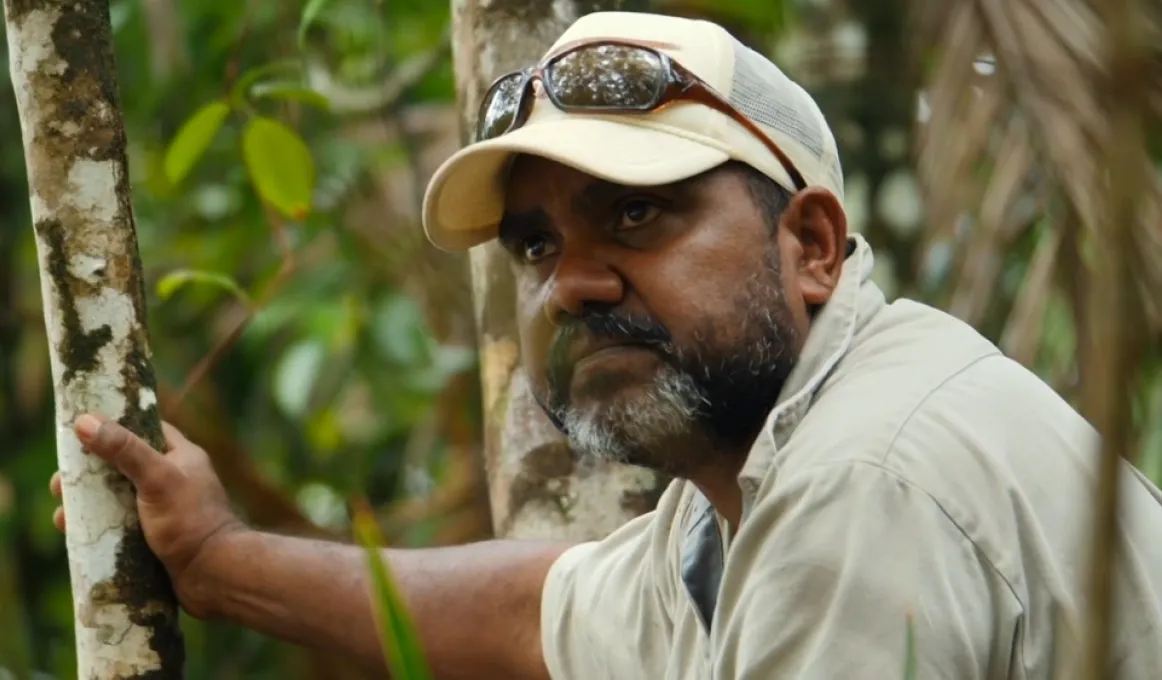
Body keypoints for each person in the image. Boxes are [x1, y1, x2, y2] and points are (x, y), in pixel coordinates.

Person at [50, 11, 1162, 680]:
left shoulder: (860, 480)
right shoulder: (749, 475)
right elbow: (547, 613)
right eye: (535, 243)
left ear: (810, 244)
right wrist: (218, 559)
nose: (571, 284)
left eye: (638, 214)